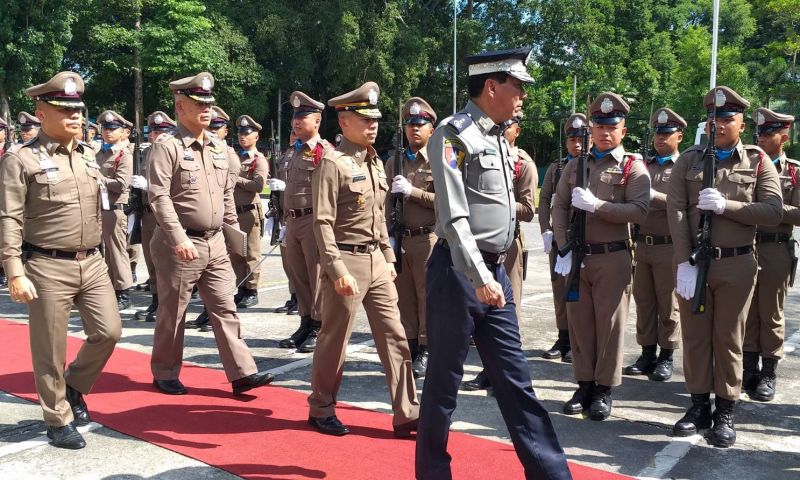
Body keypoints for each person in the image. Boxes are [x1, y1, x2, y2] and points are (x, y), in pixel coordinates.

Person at [417, 47, 571, 480]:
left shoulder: (498, 137)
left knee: (516, 381)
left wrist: (493, 273)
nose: (523, 95)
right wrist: (480, 275)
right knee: (443, 386)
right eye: (517, 86)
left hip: (495, 272)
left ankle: (551, 474)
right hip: (459, 275)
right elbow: (452, 216)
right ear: (491, 86)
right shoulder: (452, 135)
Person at [0, 71, 121, 449]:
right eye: (64, 110)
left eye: (78, 111)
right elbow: (9, 218)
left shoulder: (87, 156)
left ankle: (74, 386)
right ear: (41, 111)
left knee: (109, 331)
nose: (75, 117)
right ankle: (57, 418)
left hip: (93, 262)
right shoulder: (21, 159)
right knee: (50, 349)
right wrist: (14, 271)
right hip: (47, 265)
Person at [667, 86, 782, 447]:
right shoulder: (689, 160)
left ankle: (726, 410)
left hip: (737, 264)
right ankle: (699, 405)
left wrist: (726, 206)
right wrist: (685, 261)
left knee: (728, 338)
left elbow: (774, 211)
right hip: (695, 263)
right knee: (696, 337)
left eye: (726, 118)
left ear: (741, 124)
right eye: (713, 117)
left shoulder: (758, 161)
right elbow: (677, 210)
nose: (718, 123)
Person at [147, 72, 273, 396]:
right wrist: (178, 238)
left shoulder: (219, 148)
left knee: (225, 305)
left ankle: (242, 372)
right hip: (180, 243)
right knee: (174, 312)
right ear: (180, 106)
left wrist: (235, 239)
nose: (207, 110)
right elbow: (159, 197)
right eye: (198, 103)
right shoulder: (167, 147)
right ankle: (165, 371)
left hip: (215, 241)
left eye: (209, 103)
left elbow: (226, 194)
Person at [307, 81, 419, 437]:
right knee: (335, 339)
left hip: (376, 262)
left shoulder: (375, 163)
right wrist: (335, 268)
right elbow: (321, 221)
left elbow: (380, 217)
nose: (372, 125)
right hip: (346, 261)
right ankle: (321, 407)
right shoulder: (333, 164)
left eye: (375, 119)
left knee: (395, 336)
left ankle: (407, 413)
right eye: (363, 119)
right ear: (343, 123)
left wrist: (388, 255)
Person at [552, 92, 650, 421]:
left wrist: (598, 206)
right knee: (580, 325)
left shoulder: (632, 167)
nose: (605, 133)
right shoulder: (575, 166)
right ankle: (583, 385)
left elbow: (639, 210)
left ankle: (604, 390)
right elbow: (559, 207)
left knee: (609, 325)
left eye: (613, 127)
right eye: (599, 127)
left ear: (623, 130)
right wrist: (565, 246)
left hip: (613, 256)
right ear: (591, 130)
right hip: (579, 256)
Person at [462, 114, 538, 391]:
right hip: (478, 246)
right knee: (481, 311)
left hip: (508, 248)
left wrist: (496, 202)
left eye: (506, 127)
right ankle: (488, 369)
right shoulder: (477, 153)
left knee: (506, 311)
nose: (502, 131)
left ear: (516, 131)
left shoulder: (522, 163)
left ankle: (504, 374)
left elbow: (529, 210)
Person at [624, 108, 686, 381]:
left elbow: (683, 204)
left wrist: (654, 197)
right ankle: (646, 352)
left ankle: (666, 355)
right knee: (645, 302)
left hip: (669, 245)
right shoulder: (643, 165)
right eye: (658, 134)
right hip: (643, 244)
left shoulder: (684, 167)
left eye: (667, 134)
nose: (660, 139)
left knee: (668, 303)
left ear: (679, 136)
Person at [742, 107, 798, 402]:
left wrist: (772, 208)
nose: (761, 138)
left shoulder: (793, 171)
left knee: (771, 312)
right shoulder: (749, 165)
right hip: (747, 244)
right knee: (747, 311)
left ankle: (769, 372)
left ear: (784, 136)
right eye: (759, 133)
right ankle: (748, 368)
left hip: (776, 246)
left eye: (769, 133)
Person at [384, 96, 437, 377]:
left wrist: (413, 192)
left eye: (421, 123)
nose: (414, 128)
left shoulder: (441, 158)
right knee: (403, 297)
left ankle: (427, 348)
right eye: (410, 124)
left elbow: (446, 201)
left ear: (431, 128)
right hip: (400, 238)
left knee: (427, 296)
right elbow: (384, 201)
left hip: (427, 237)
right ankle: (412, 345)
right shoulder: (395, 161)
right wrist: (386, 235)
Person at [277, 92, 333, 352]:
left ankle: (319, 325)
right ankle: (305, 321)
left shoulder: (324, 152)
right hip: (293, 221)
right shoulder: (292, 151)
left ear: (318, 121)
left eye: (303, 117)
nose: (296, 122)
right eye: (295, 117)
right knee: (298, 275)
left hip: (314, 220)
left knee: (317, 275)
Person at [538, 114, 588, 363]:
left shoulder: (593, 165)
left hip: (586, 240)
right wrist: (546, 229)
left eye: (580, 138)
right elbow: (545, 200)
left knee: (581, 293)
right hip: (560, 239)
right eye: (572, 139)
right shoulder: (557, 168)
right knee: (560, 290)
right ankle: (564, 338)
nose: (576, 144)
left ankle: (580, 341)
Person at [131, 111, 177, 323]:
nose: (154, 135)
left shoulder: (173, 151)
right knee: (152, 261)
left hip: (165, 214)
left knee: (167, 264)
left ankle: (167, 305)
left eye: (159, 131)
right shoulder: (148, 152)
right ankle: (157, 300)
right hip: (148, 213)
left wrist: (149, 186)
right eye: (153, 131)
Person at [96, 110, 135, 310]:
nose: (108, 132)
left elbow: (121, 184)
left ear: (122, 132)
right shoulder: (100, 154)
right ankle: (111, 289)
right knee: (104, 253)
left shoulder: (124, 156)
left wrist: (97, 178)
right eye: (105, 128)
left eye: (113, 129)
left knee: (118, 252)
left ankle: (124, 292)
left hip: (114, 209)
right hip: (99, 209)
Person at [231, 114, 268, 307]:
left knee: (251, 253)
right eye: (240, 133)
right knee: (237, 253)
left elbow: (258, 186)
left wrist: (236, 179)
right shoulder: (235, 159)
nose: (242, 136)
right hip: (234, 212)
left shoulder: (258, 160)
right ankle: (241, 288)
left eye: (247, 133)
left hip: (249, 212)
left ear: (256, 137)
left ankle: (252, 290)